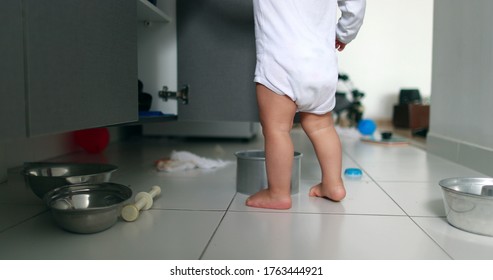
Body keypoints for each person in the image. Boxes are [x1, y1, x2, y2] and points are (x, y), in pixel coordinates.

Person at [246, 0, 366, 209]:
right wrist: (345, 33)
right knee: (322, 127)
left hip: (280, 62)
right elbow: (356, 6)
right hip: (322, 63)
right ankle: (333, 184)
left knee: (277, 129)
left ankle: (278, 194)